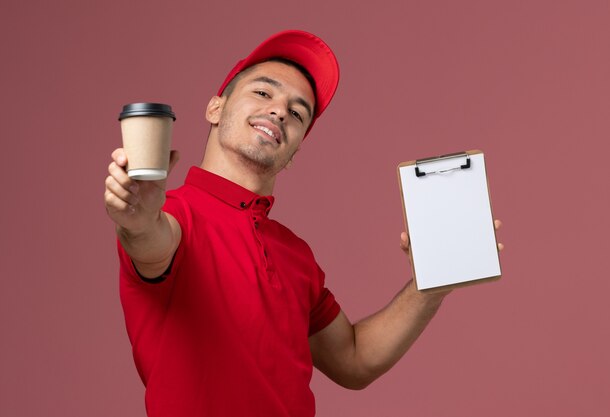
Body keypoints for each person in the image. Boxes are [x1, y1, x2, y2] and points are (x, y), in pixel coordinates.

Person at [104, 30, 503, 417]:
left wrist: (430, 284)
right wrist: (137, 220)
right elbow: (150, 242)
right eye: (263, 92)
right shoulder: (174, 215)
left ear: (294, 150)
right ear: (216, 108)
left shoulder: (296, 255)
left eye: (297, 113)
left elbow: (354, 359)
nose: (279, 110)